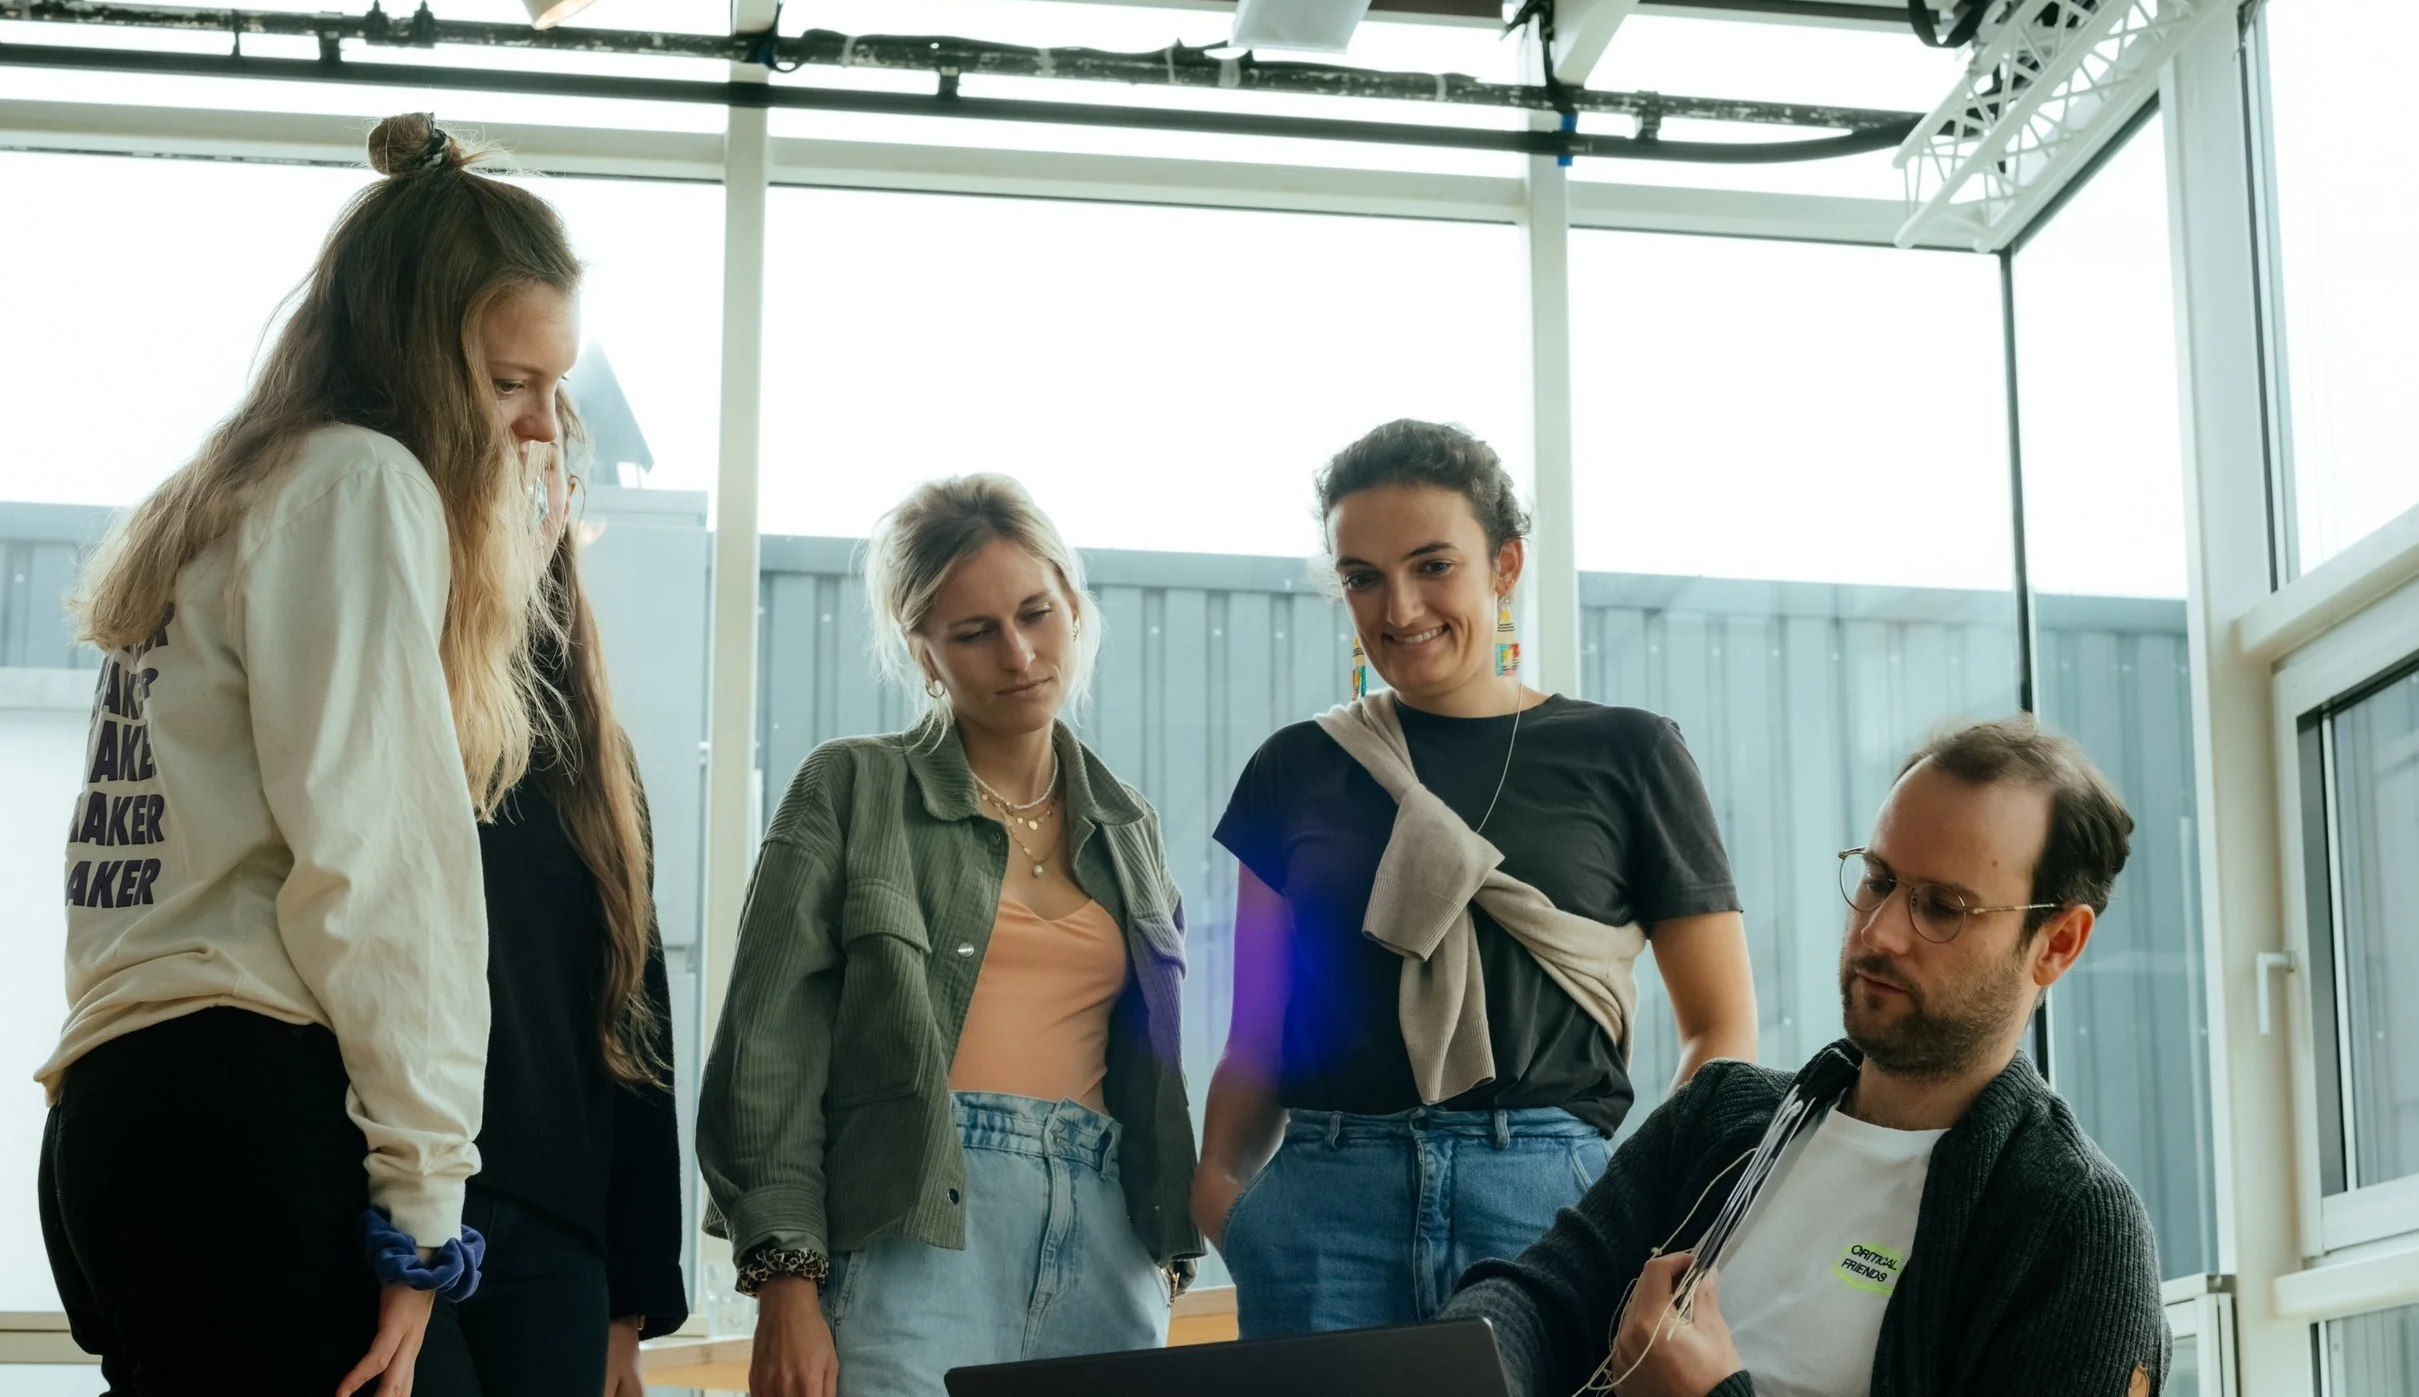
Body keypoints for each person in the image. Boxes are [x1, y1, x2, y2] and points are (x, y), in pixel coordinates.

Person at [36, 112, 580, 1397]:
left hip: (123, 1108)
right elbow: (381, 870)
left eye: (553, 389)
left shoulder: (223, 494)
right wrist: (424, 1205)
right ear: (419, 355)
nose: (540, 429)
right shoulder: (360, 485)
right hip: (252, 1106)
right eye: (510, 384)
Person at [1194, 419, 1759, 1339]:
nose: (1399, 607)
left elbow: (1719, 1027)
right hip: (1325, 1208)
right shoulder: (1294, 767)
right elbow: (1256, 1030)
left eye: (1433, 566)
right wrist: (1225, 1198)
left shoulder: (1629, 754)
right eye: (1362, 577)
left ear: (1505, 565)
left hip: (1546, 1200)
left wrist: (1660, 1211)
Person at [1442, 716, 2169, 1397]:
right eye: (1878, 879)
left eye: (1942, 907)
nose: (1879, 933)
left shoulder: (2074, 1227)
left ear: (2058, 944)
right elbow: (1543, 1297)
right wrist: (1462, 1355)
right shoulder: (1719, 1113)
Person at [697, 475, 1202, 1397]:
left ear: (1072, 605)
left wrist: (1168, 1253)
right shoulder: (851, 789)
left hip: (1107, 1245)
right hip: (912, 1245)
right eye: (974, 633)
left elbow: (1155, 1071)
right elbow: (765, 1051)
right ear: (922, 651)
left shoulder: (1131, 827)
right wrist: (786, 1281)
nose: (1019, 653)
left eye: (1036, 614)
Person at [413, 423, 689, 1395]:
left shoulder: (596, 758)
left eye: (547, 493)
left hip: (558, 1245)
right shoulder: (391, 702)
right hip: (394, 1205)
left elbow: (638, 1034)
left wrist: (628, 1310)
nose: (528, 514)